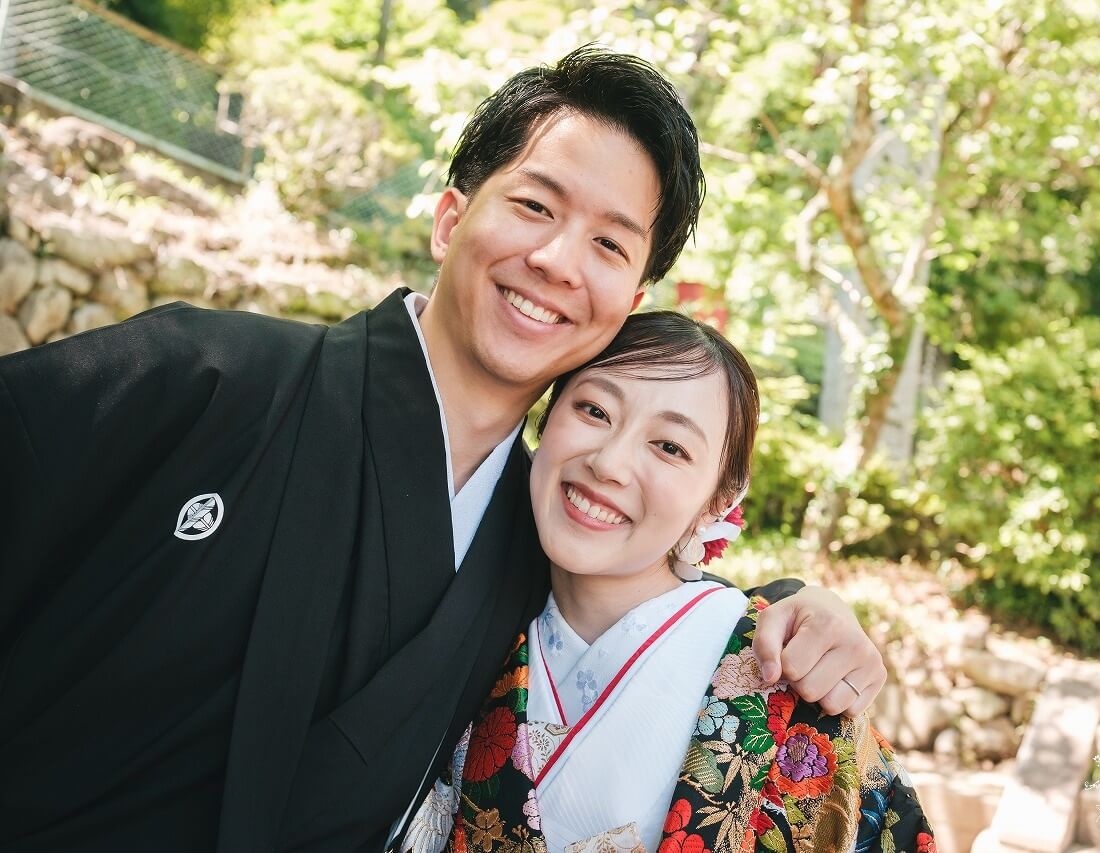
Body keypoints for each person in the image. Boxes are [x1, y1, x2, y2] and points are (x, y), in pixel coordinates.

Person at [0, 49, 887, 853]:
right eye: (535, 205)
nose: (557, 259)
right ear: (449, 218)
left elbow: (648, 600)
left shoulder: (531, 558)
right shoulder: (203, 377)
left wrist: (792, 610)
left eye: (609, 244)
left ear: (630, 296)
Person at [399, 311, 932, 853]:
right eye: (594, 409)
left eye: (670, 447)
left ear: (717, 505)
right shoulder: (466, 618)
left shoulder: (786, 675)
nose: (610, 463)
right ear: (545, 418)